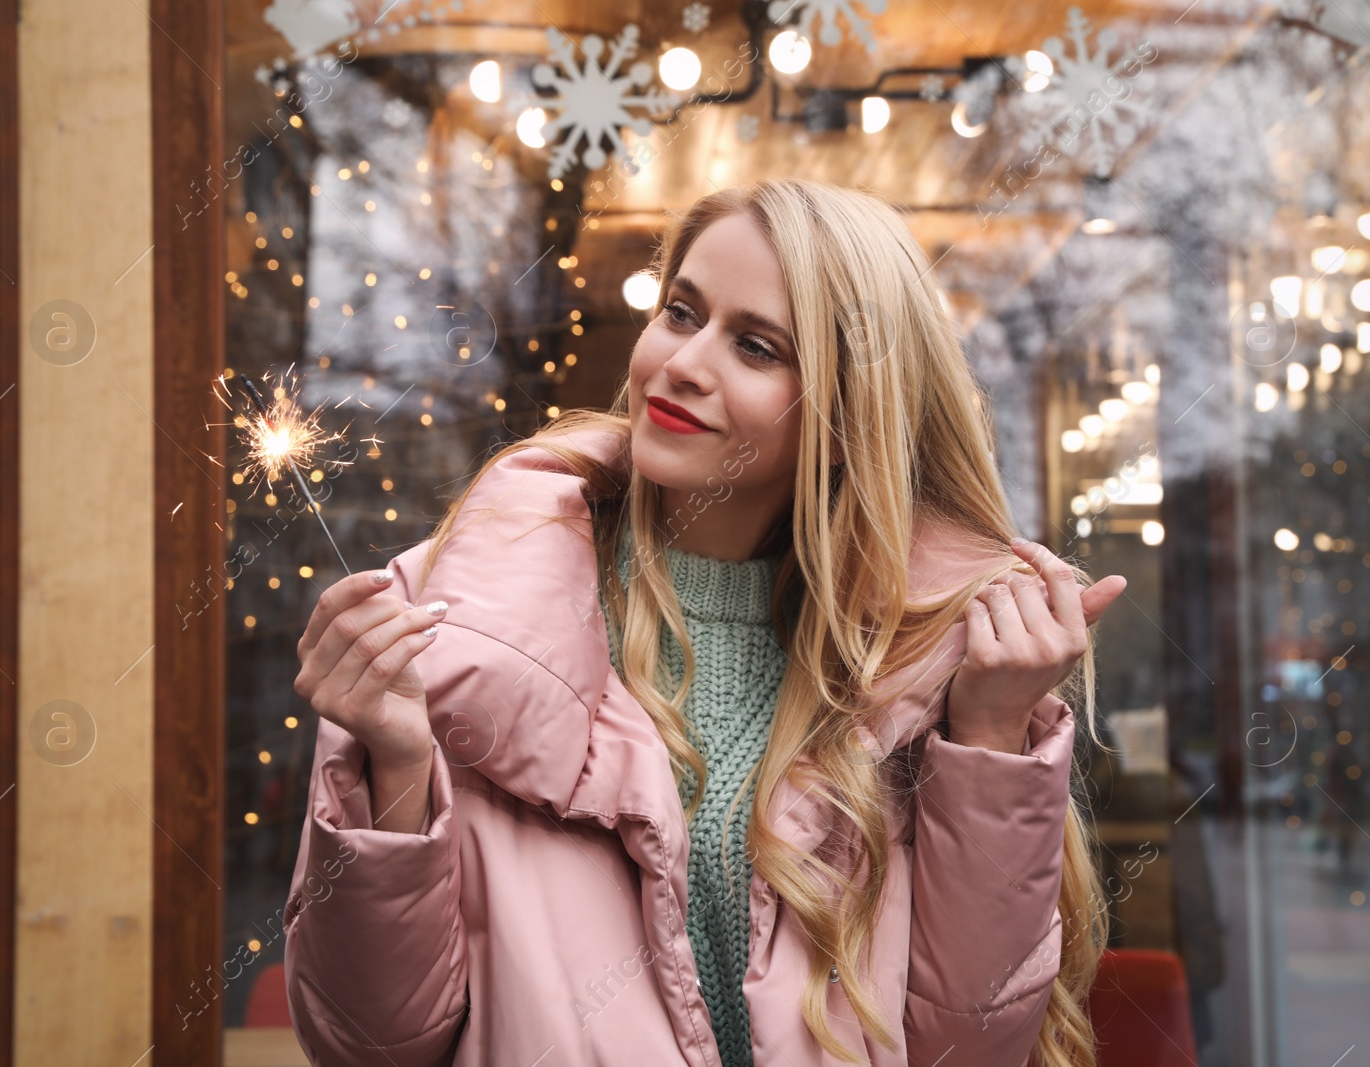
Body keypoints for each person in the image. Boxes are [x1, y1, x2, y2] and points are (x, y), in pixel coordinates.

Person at [283, 178, 1127, 1067]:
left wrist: (989, 736)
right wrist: (397, 775)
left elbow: (971, 1048)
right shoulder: (458, 618)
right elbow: (369, 1046)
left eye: (757, 347)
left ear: (848, 415)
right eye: (681, 312)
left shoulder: (918, 668)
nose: (683, 362)